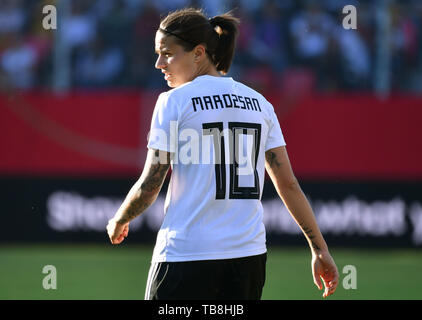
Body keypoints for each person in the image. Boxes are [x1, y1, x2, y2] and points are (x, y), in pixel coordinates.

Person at [106, 8, 339, 300]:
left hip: (186, 255)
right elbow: (288, 184)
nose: (158, 63)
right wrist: (319, 249)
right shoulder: (259, 103)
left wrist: (120, 218)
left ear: (198, 52)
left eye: (167, 53)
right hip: (248, 259)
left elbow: (151, 182)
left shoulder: (174, 102)